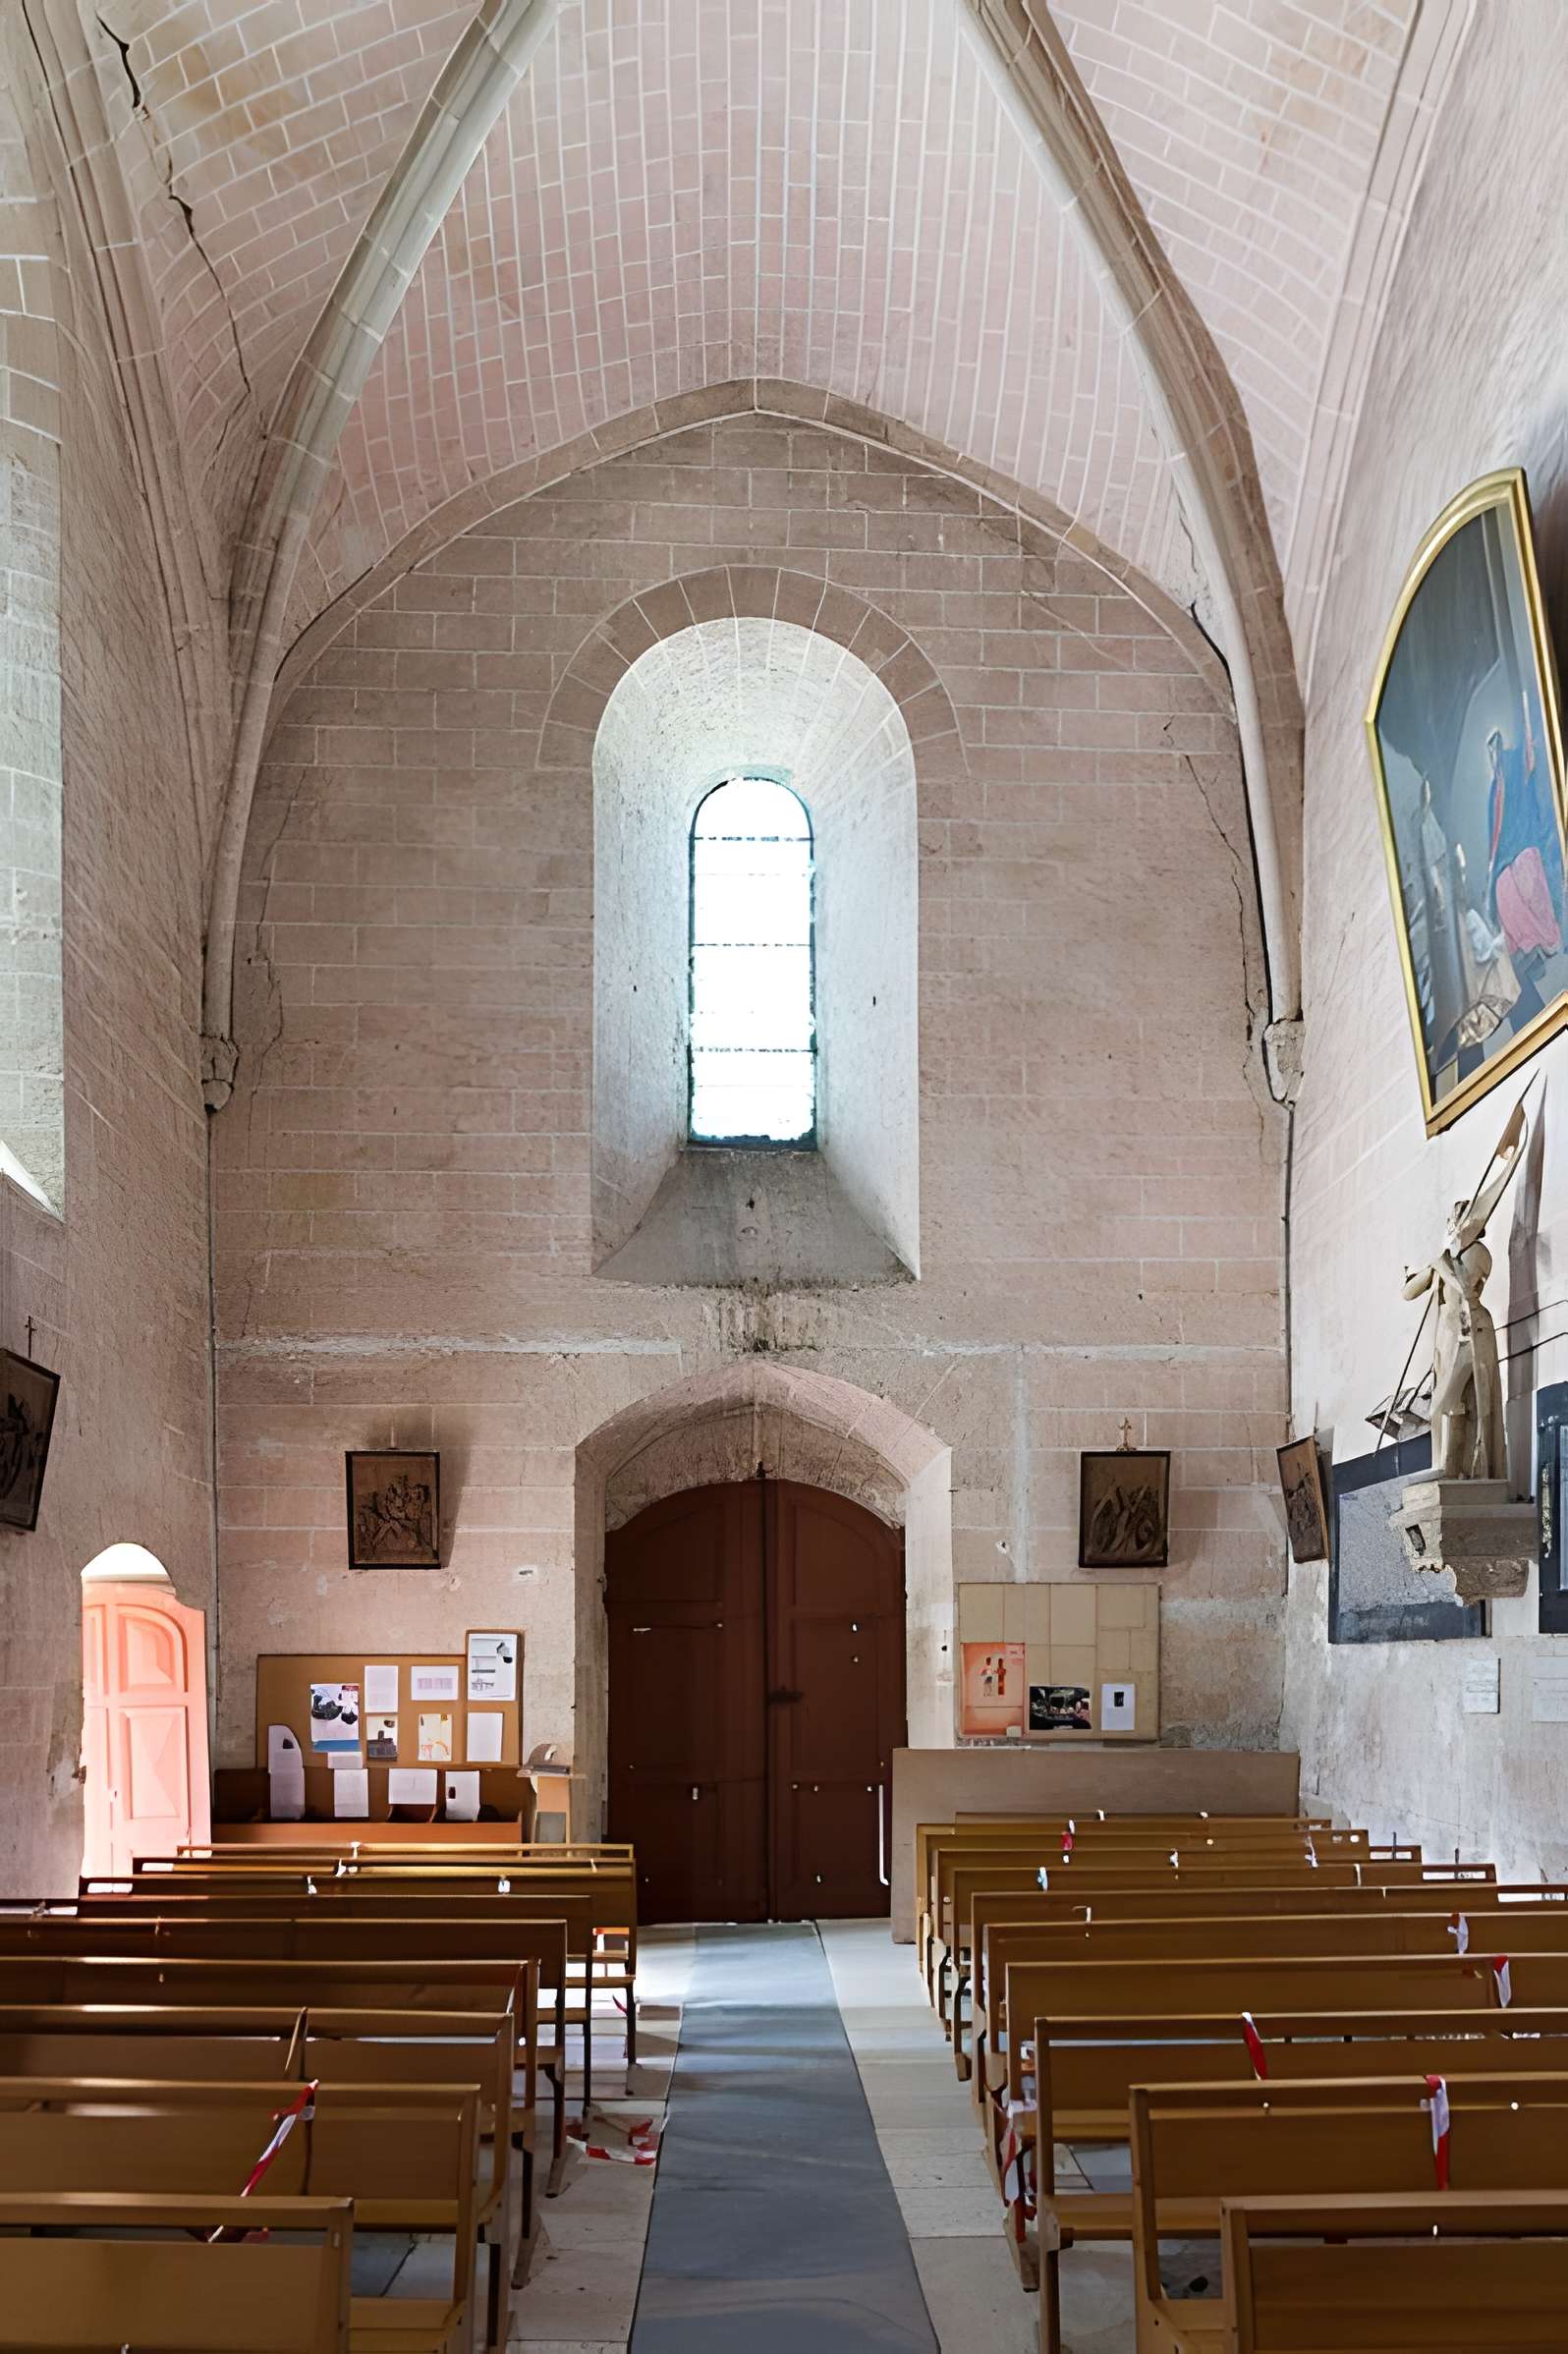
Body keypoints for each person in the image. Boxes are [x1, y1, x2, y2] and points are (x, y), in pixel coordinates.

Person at [1486, 689, 1565, 961]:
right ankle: (1531, 943)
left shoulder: (1515, 768)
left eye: (1496, 750)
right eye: (1491, 754)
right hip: (1509, 848)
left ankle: (1547, 935)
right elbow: (1494, 833)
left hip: (1528, 835)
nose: (1495, 757)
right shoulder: (1493, 791)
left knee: (1527, 867)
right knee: (1502, 885)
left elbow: (1529, 770)